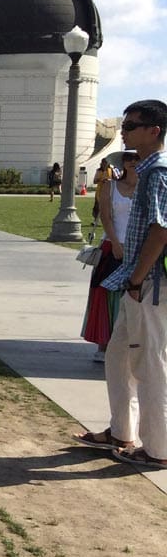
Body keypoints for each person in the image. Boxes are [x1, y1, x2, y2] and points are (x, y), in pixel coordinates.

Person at [91, 100, 167, 468]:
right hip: (136, 280)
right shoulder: (150, 168)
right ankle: (122, 430)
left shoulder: (157, 172)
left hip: (148, 282)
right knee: (119, 356)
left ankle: (159, 449)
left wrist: (137, 278)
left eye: (132, 125)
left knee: (149, 364)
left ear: (154, 131)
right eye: (124, 124)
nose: (124, 130)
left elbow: (161, 229)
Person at [81, 151, 138, 363]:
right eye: (129, 158)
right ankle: (103, 344)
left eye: (137, 159)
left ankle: (130, 345)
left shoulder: (148, 187)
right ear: (122, 162)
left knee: (132, 297)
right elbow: (105, 216)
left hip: (138, 249)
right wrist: (115, 243)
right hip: (111, 246)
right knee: (106, 295)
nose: (133, 162)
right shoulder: (110, 186)